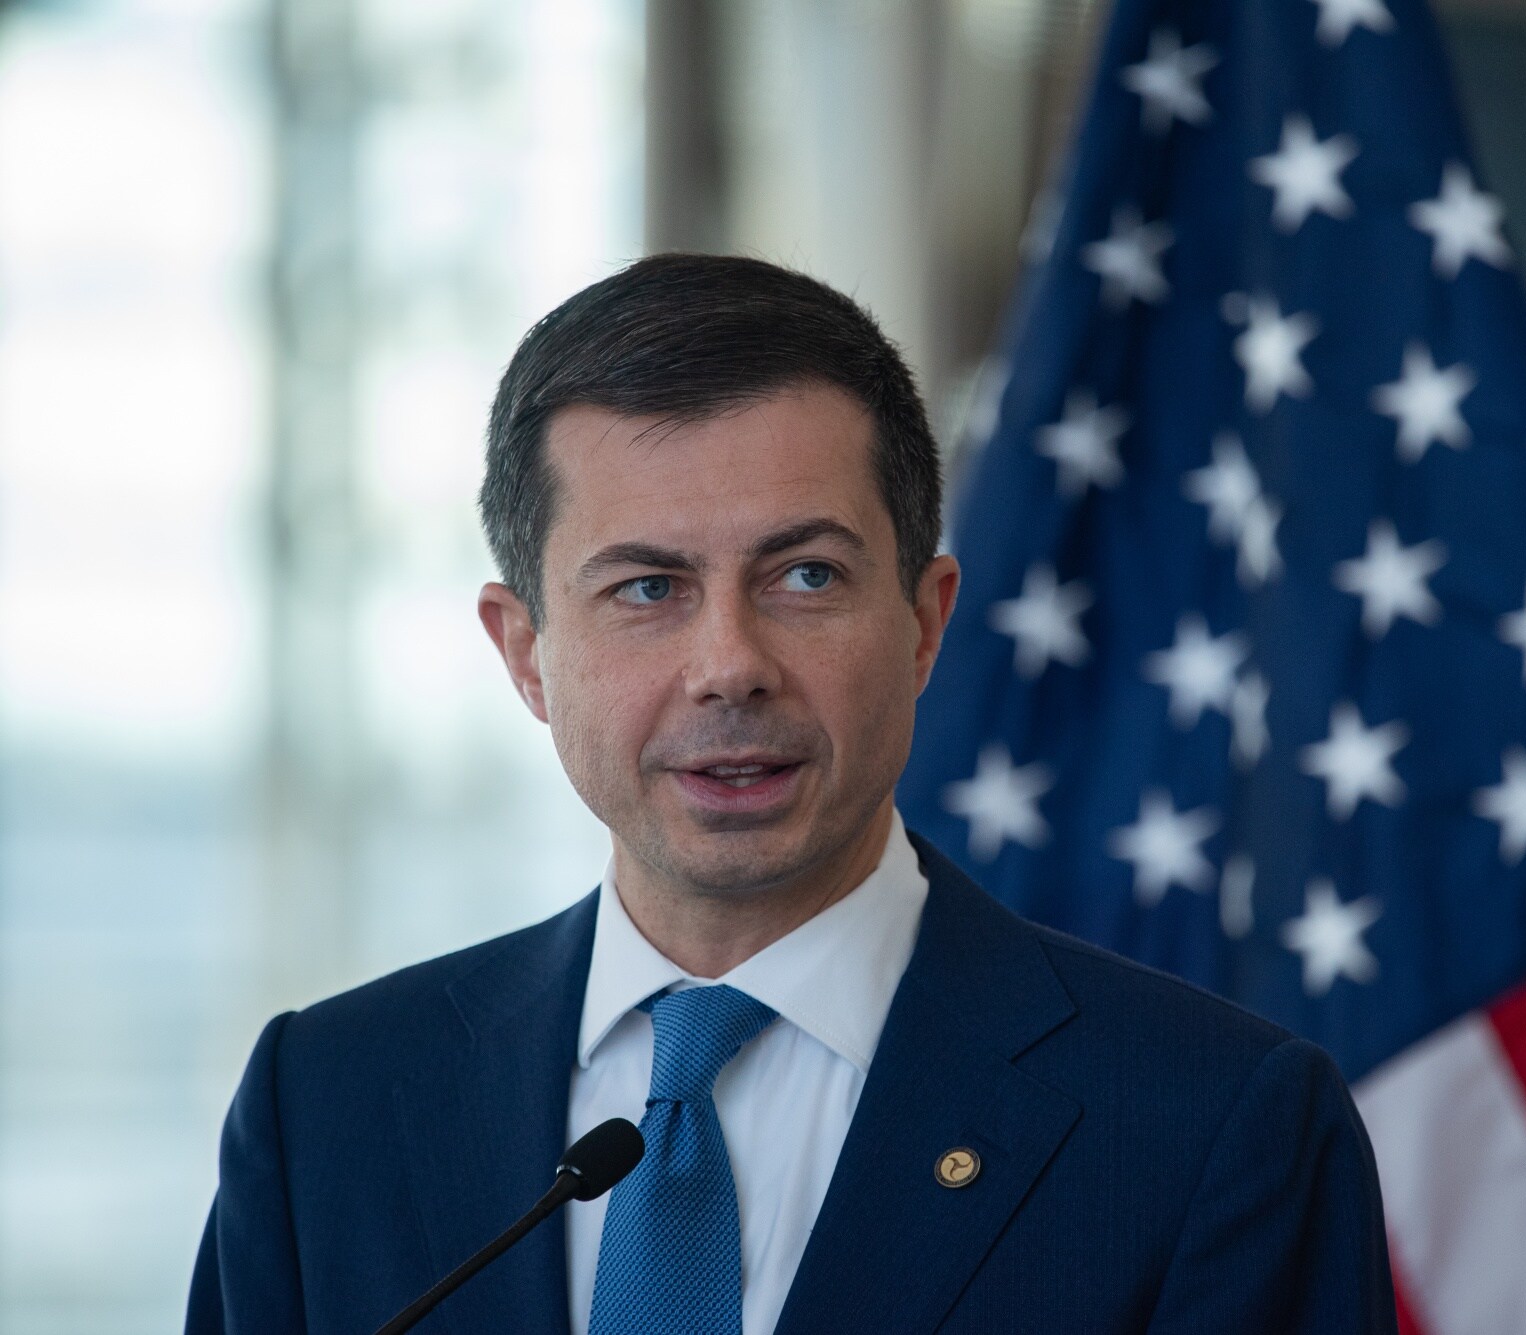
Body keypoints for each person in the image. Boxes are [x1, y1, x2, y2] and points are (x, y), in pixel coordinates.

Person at [186, 254, 1396, 1335]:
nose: (730, 665)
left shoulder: (1209, 1127)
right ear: (525, 654)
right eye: (647, 589)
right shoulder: (327, 1106)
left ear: (923, 624)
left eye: (805, 576)